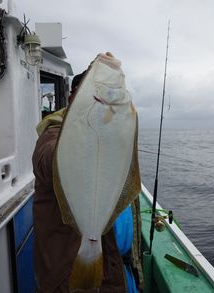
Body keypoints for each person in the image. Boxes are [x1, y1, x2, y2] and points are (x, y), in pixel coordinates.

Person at [32, 70, 142, 293]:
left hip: (112, 271)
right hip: (65, 275)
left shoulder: (110, 135)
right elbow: (47, 160)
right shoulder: (53, 133)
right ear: (73, 98)